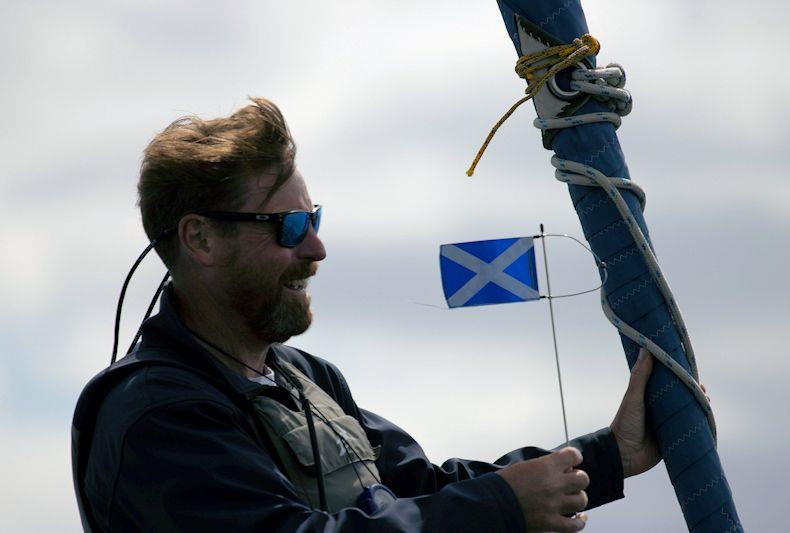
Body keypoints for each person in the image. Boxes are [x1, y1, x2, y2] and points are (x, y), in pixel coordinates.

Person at [72, 97, 664, 533]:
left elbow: (423, 492)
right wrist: (502, 509)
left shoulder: (310, 379)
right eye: (290, 227)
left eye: (315, 219)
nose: (316, 249)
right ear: (200, 240)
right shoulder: (154, 413)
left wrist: (614, 453)